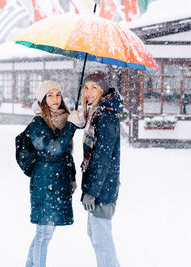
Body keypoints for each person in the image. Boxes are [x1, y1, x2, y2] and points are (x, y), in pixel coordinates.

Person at [25, 80, 84, 267]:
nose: (55, 99)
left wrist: (72, 178)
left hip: (58, 182)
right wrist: (71, 126)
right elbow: (53, 148)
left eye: (57, 94)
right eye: (49, 95)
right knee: (44, 234)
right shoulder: (38, 122)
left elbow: (66, 153)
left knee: (45, 233)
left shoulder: (63, 119)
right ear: (42, 99)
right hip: (44, 182)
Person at [80, 70, 123, 267]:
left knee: (101, 240)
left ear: (103, 89)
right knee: (95, 235)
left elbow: (102, 158)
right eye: (86, 87)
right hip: (101, 185)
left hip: (102, 189)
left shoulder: (105, 117)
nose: (89, 92)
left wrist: (92, 192)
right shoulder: (97, 113)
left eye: (94, 87)